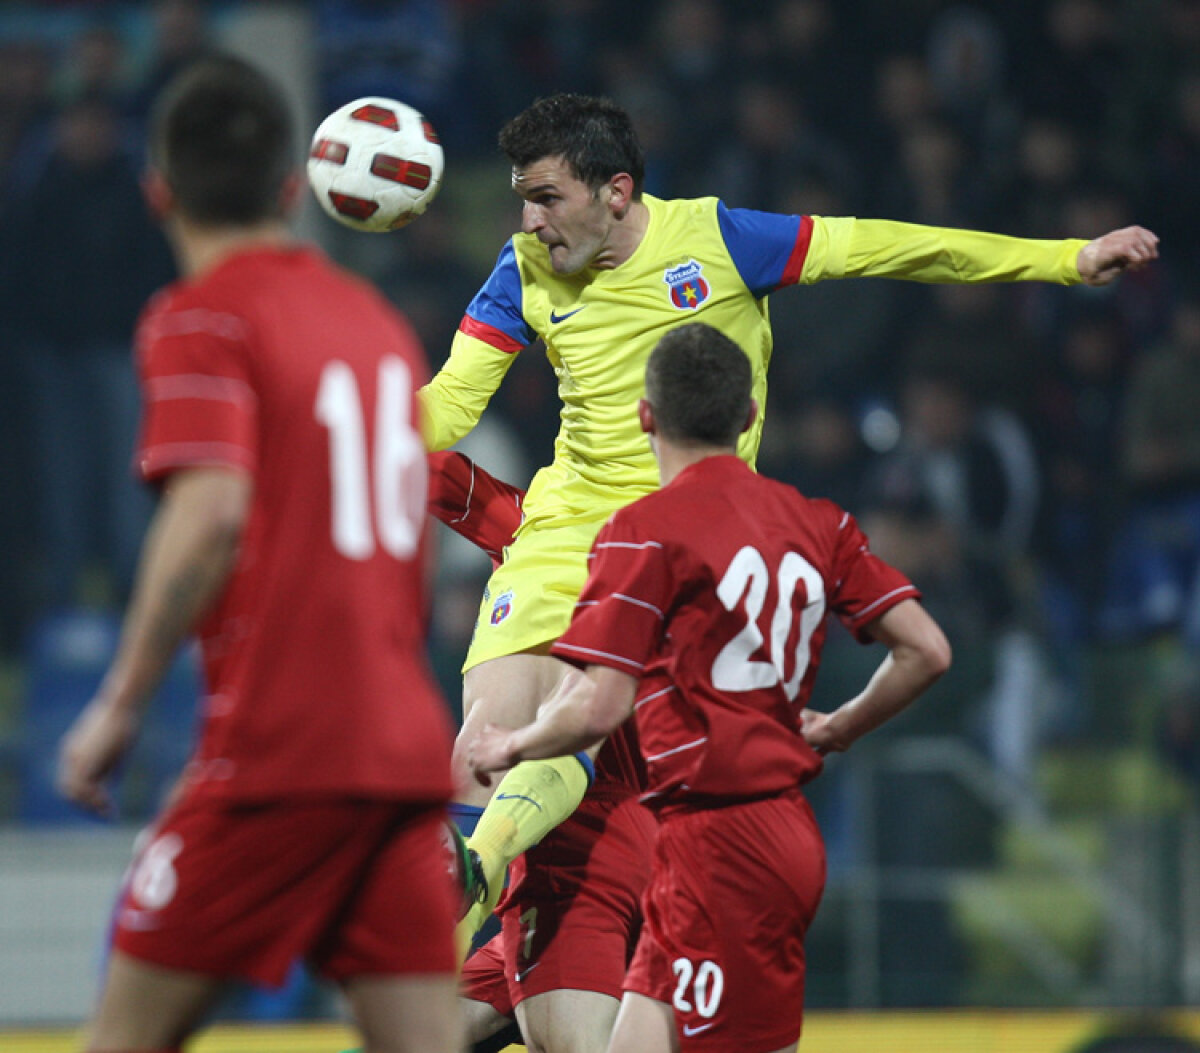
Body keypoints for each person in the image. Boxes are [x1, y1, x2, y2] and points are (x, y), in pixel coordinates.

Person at [421, 91, 1157, 1053]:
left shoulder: (725, 241)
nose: (527, 220)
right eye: (521, 199)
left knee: (575, 717)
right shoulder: (522, 268)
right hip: (560, 529)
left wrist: (1063, 260)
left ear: (616, 191)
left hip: (669, 541)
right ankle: (471, 883)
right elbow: (445, 409)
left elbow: (892, 245)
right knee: (481, 742)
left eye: (545, 198)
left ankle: (474, 873)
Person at [55, 55, 461, 1053]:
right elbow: (406, 541)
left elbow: (209, 513)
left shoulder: (200, 315)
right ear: (292, 187)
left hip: (280, 755)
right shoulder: (379, 327)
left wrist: (119, 703)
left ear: (157, 194)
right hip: (400, 751)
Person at [468, 322, 952, 1051]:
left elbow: (598, 703)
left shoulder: (643, 531)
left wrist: (517, 740)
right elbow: (927, 650)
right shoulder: (819, 522)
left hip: (716, 838)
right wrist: (842, 726)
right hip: (777, 828)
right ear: (751, 414)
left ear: (644, 416)